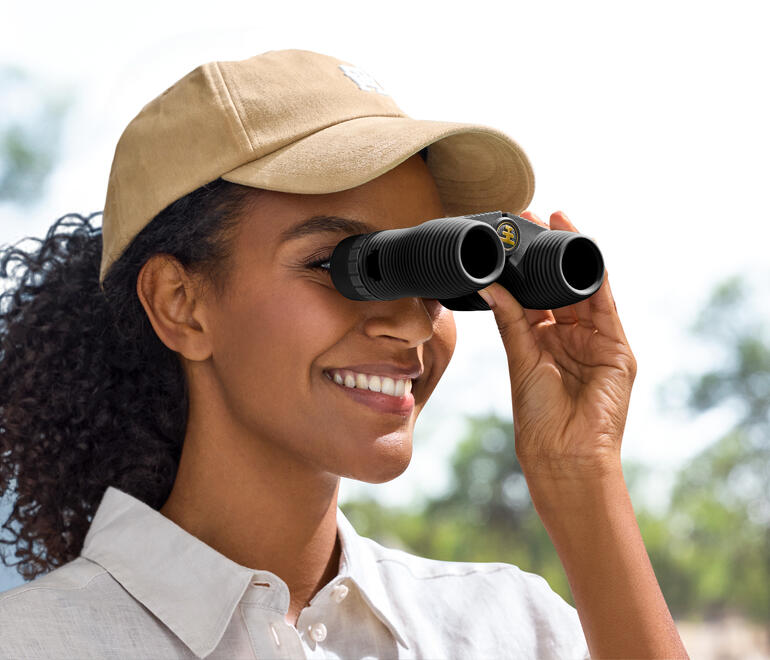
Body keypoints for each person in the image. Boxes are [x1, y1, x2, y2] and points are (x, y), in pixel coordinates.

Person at [0, 49, 688, 659]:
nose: (412, 324)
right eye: (340, 263)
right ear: (181, 301)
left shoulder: (512, 629)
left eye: (428, 268)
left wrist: (582, 477)